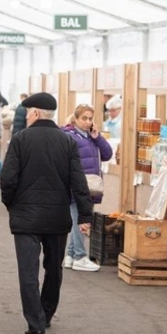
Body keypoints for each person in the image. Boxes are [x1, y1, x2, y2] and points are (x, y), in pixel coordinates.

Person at [0, 92, 93, 334]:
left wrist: (11, 204)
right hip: (56, 217)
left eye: (29, 111)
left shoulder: (20, 140)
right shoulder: (67, 142)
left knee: (28, 272)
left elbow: (8, 179)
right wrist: (85, 215)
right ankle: (47, 314)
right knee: (54, 269)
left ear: (37, 113)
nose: (28, 115)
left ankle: (36, 324)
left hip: (26, 219)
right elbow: (79, 182)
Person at [61, 104, 113, 272]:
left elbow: (107, 154)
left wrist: (98, 137)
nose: (88, 121)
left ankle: (70, 255)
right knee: (81, 220)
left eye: (90, 118)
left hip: (90, 185)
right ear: (75, 119)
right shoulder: (69, 136)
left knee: (79, 219)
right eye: (84, 118)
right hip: (77, 186)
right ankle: (79, 256)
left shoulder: (91, 137)